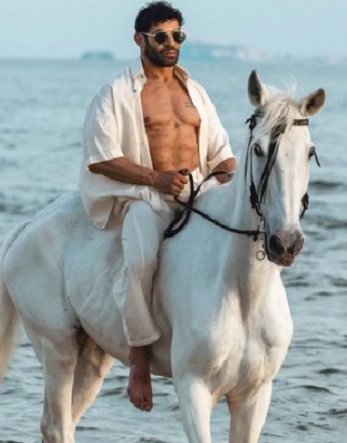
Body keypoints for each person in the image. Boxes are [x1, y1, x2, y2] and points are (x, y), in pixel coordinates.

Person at [79, 1, 237, 413]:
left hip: (198, 194)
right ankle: (137, 360)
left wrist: (231, 177)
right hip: (146, 196)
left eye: (178, 36)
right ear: (140, 40)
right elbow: (101, 156)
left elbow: (222, 152)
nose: (171, 44)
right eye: (162, 36)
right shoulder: (116, 93)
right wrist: (156, 178)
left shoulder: (195, 92)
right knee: (141, 260)